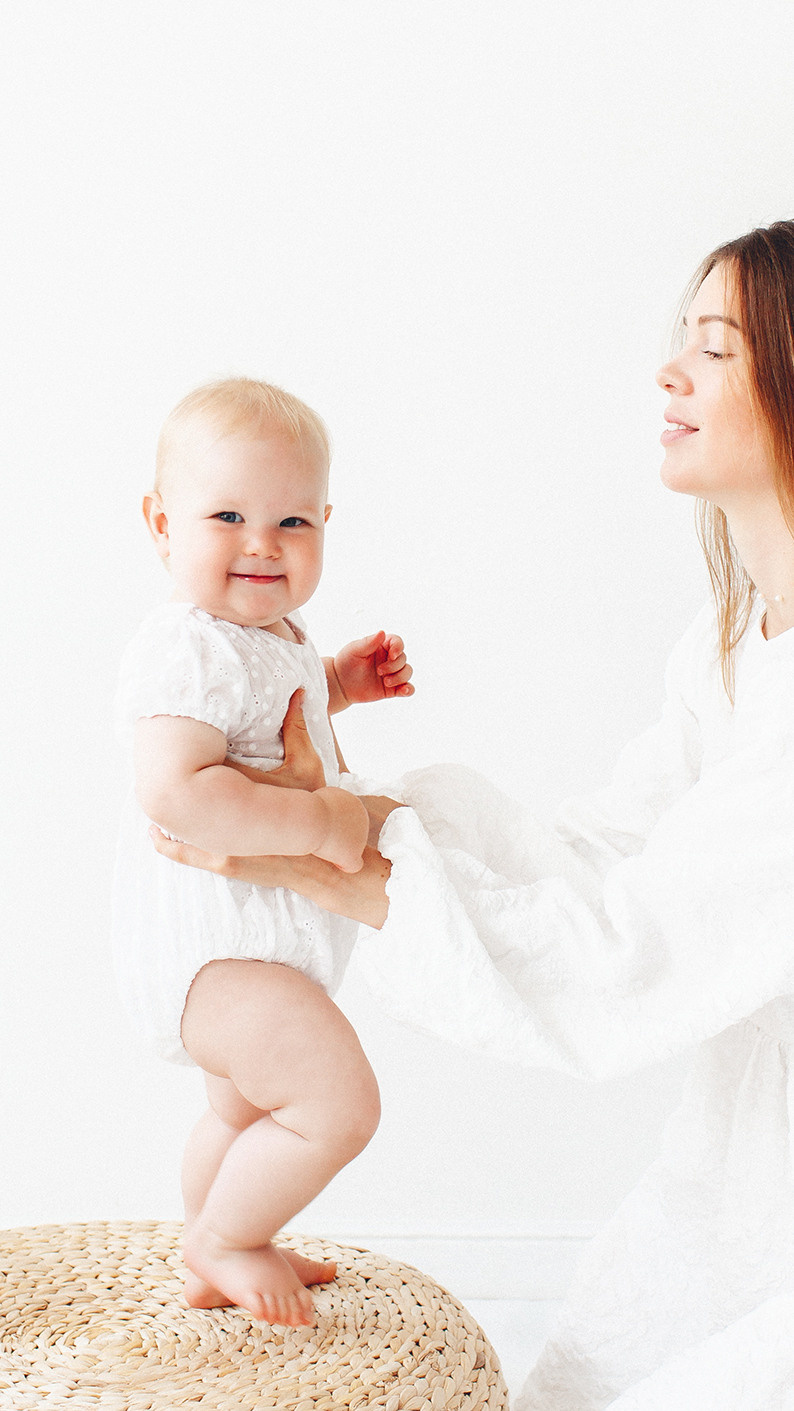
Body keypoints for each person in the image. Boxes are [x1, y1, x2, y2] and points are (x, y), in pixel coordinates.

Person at [152, 219, 794, 1408]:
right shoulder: (728, 643)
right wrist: (352, 818)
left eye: (713, 348)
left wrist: (334, 850)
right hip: (742, 1171)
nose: (667, 373)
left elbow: (626, 958)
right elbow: (604, 857)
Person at [112, 378, 414, 1328]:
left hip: (251, 949)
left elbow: (265, 713)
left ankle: (206, 1242)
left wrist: (336, 684)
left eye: (292, 519)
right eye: (228, 515)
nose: (262, 542)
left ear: (326, 521)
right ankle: (228, 1238)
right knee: (339, 1104)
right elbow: (177, 788)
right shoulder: (185, 649)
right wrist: (326, 823)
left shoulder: (262, 637)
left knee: (243, 1113)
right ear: (162, 523)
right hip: (221, 953)